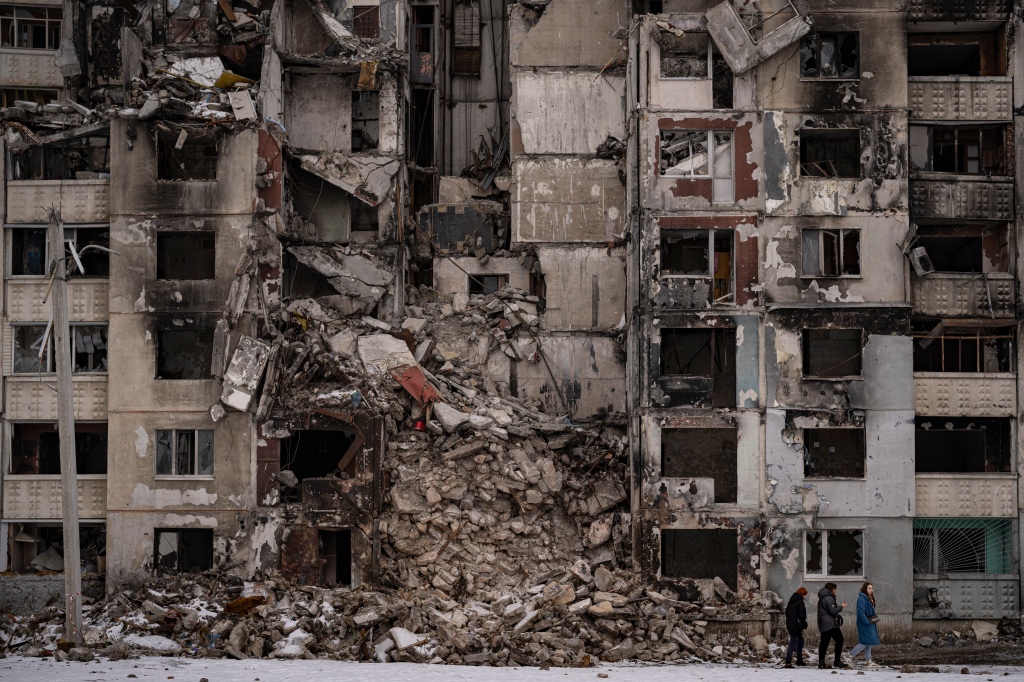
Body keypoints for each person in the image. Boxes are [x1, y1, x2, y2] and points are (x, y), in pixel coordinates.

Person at [817, 582, 848, 669]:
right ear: (831, 589)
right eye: (835, 589)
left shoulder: (823, 598)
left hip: (824, 623)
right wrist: (842, 606)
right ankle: (837, 661)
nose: (836, 591)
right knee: (840, 640)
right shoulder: (828, 599)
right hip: (830, 624)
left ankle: (821, 662)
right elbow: (833, 611)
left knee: (824, 643)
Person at [850, 582, 881, 668]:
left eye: (872, 588)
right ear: (865, 589)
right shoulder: (862, 598)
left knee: (869, 642)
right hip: (865, 623)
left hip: (870, 622)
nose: (871, 590)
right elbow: (860, 612)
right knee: (864, 642)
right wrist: (867, 621)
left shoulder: (869, 598)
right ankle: (850, 655)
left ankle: (868, 660)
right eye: (869, 588)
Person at [783, 587, 809, 667]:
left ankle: (799, 659)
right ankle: (788, 662)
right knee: (793, 643)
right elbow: (802, 615)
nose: (806, 596)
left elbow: (786, 612)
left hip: (790, 624)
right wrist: (802, 621)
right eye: (805, 594)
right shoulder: (800, 602)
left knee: (800, 642)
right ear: (802, 594)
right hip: (796, 625)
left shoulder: (791, 601)